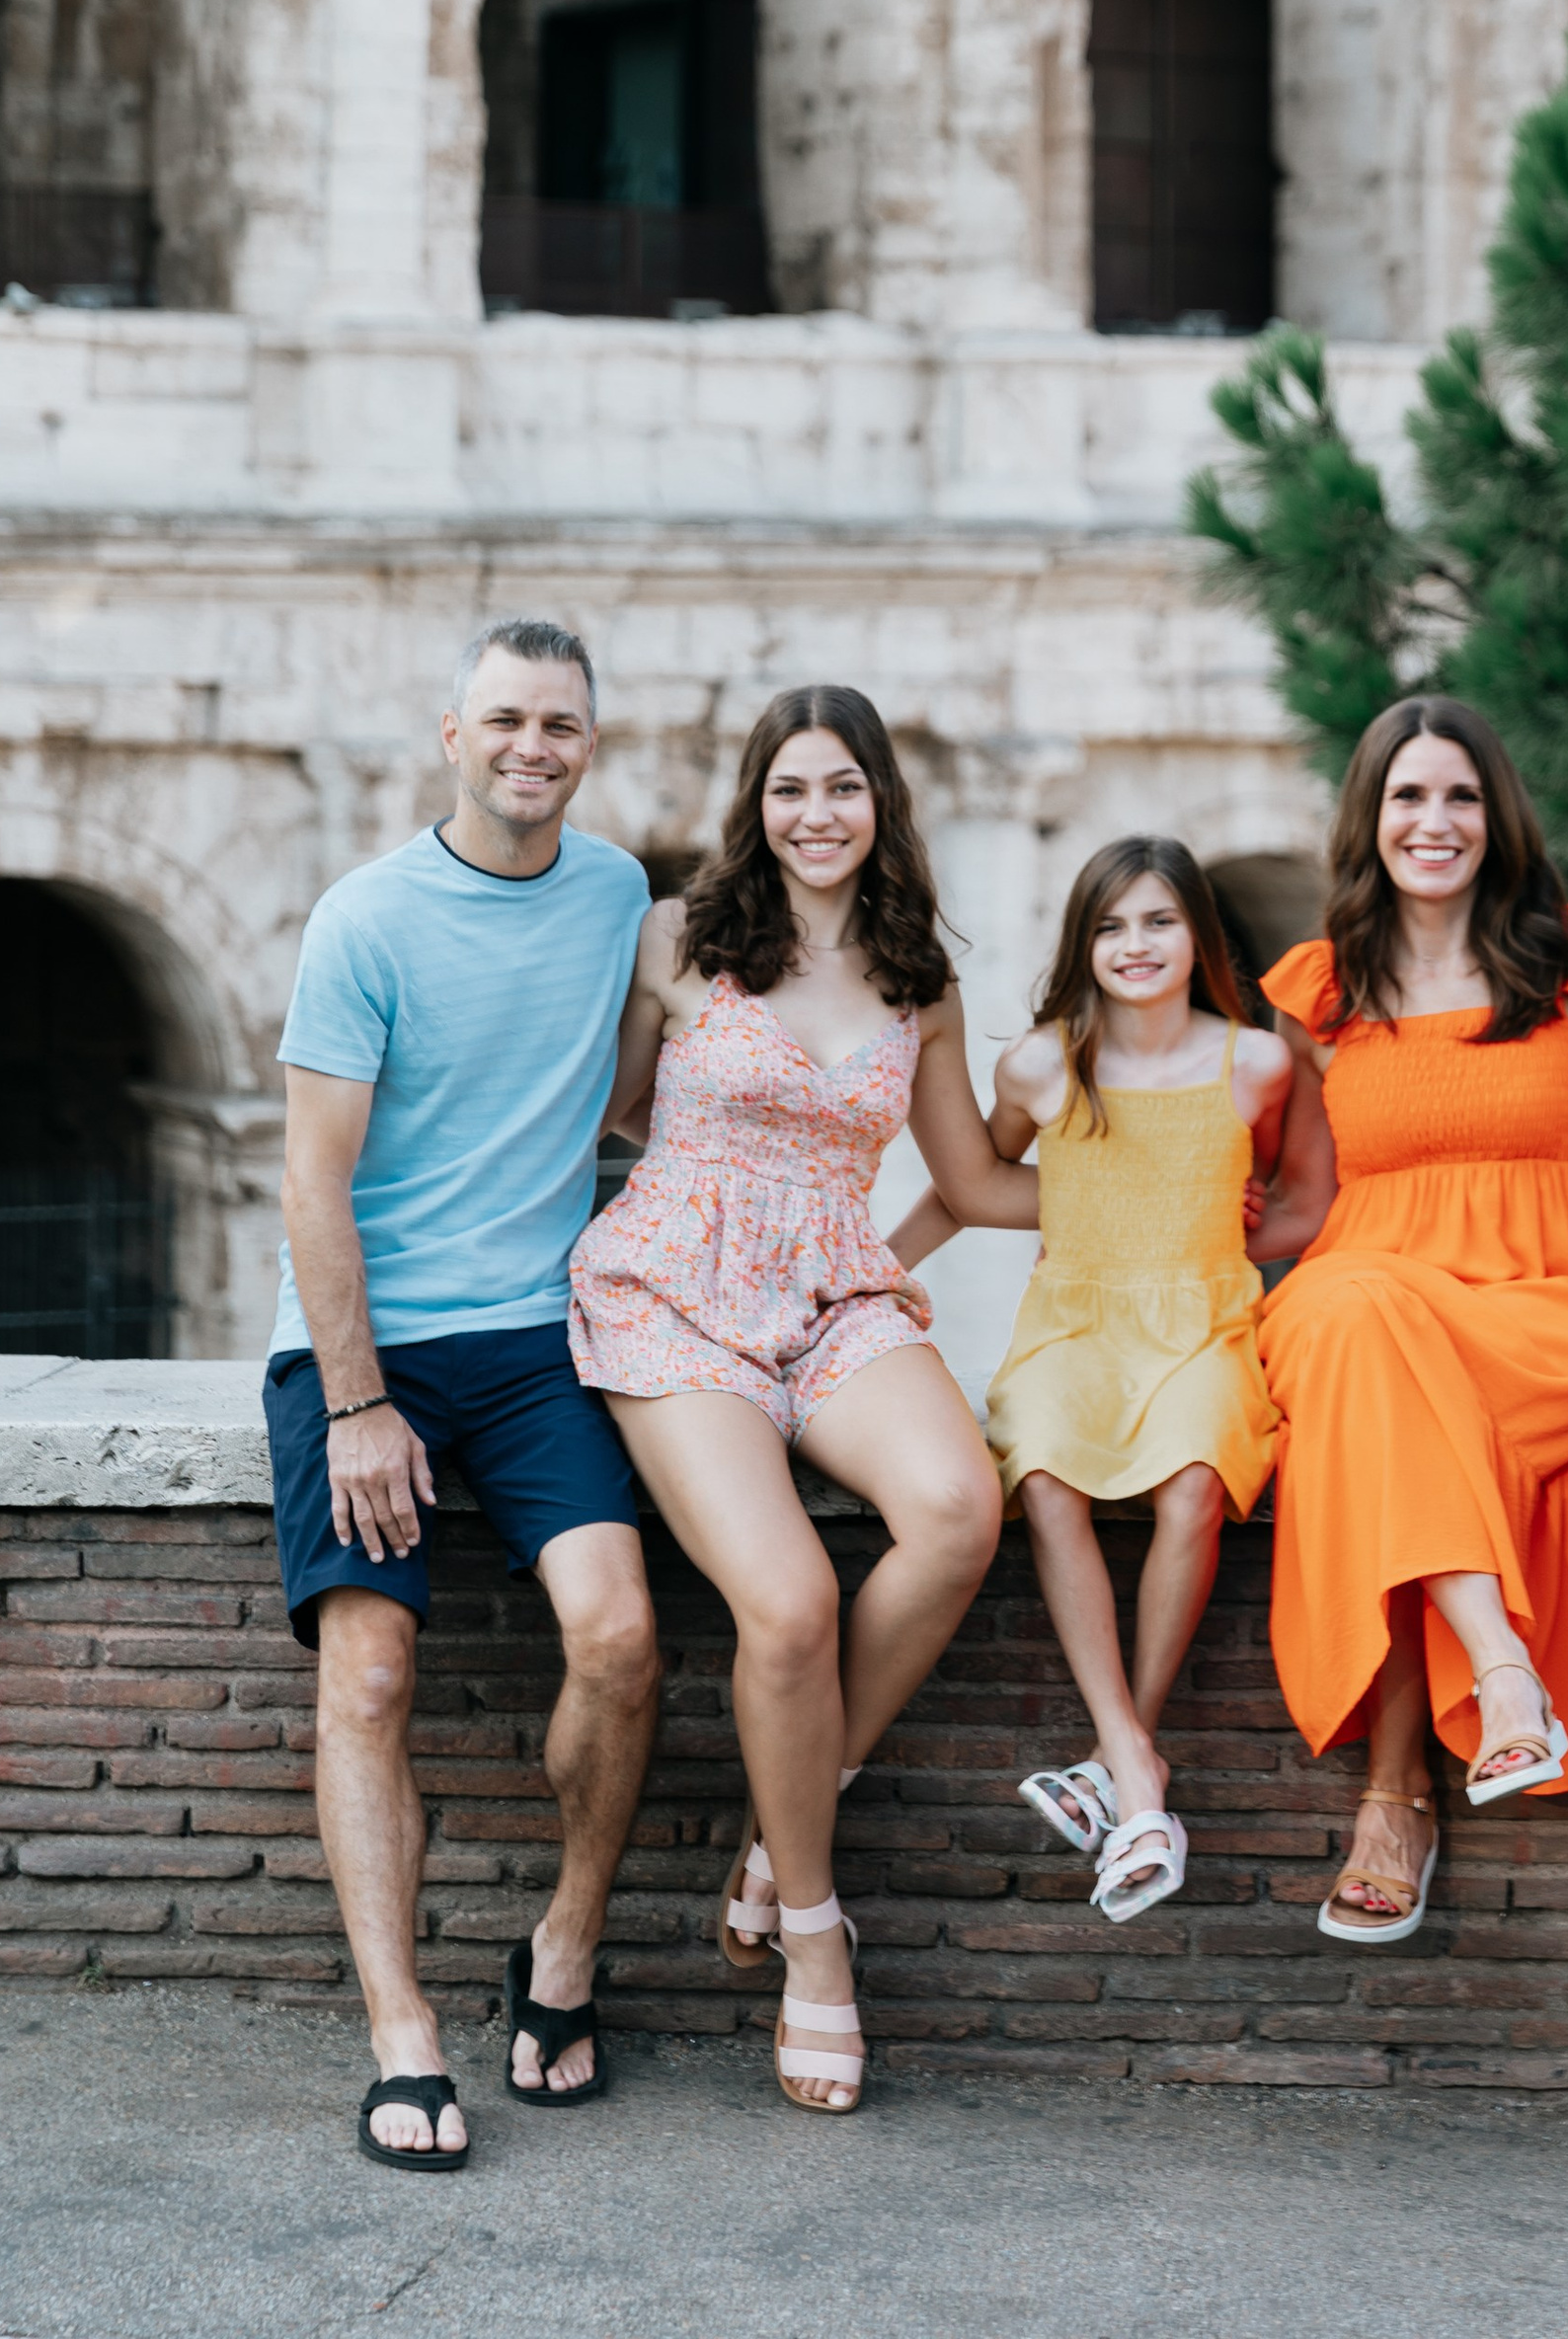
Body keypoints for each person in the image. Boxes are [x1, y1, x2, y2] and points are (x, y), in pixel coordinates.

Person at [568, 685, 1027, 2116]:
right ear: (753, 803)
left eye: (842, 788)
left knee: (960, 1508)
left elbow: (970, 1184)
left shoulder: (918, 976)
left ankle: (786, 1826)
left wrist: (1183, 1182)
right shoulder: (677, 936)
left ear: (881, 800)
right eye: (789, 789)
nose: (815, 815)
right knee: (790, 1603)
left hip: (835, 1283)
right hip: (675, 1288)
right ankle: (818, 1946)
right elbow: (609, 1110)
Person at [266, 617, 663, 2172]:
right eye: (504, 719)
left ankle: (562, 1951)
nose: (532, 747)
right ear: (452, 735)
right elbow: (314, 1180)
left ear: (588, 743)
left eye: (560, 724)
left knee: (623, 1639)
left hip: (534, 1344)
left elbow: (635, 1095)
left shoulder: (621, 894)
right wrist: (359, 1404)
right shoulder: (364, 918)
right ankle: (402, 2033)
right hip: (361, 1347)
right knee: (368, 1677)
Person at [1249, 696, 1568, 1945]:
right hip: (1365, 1286)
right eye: (1408, 796)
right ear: (1370, 817)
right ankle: (1501, 1680)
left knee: (1388, 1398)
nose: (1435, 820)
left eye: (1459, 796)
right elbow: (1302, 1198)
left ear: (1496, 814)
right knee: (1366, 1325)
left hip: (1542, 1302)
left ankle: (1395, 1798)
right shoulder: (1315, 991)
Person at [892, 837, 1291, 1922]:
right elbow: (977, 1184)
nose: (1135, 944)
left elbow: (1306, 1201)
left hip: (1204, 1316)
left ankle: (1121, 1763)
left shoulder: (1254, 1062)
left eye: (1158, 921)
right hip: (1072, 1317)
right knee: (1050, 1479)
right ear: (1083, 946)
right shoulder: (1040, 1062)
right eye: (1111, 926)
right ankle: (1133, 1766)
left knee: (1198, 1479)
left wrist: (1245, 1231)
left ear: (1199, 934)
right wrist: (875, 1270)